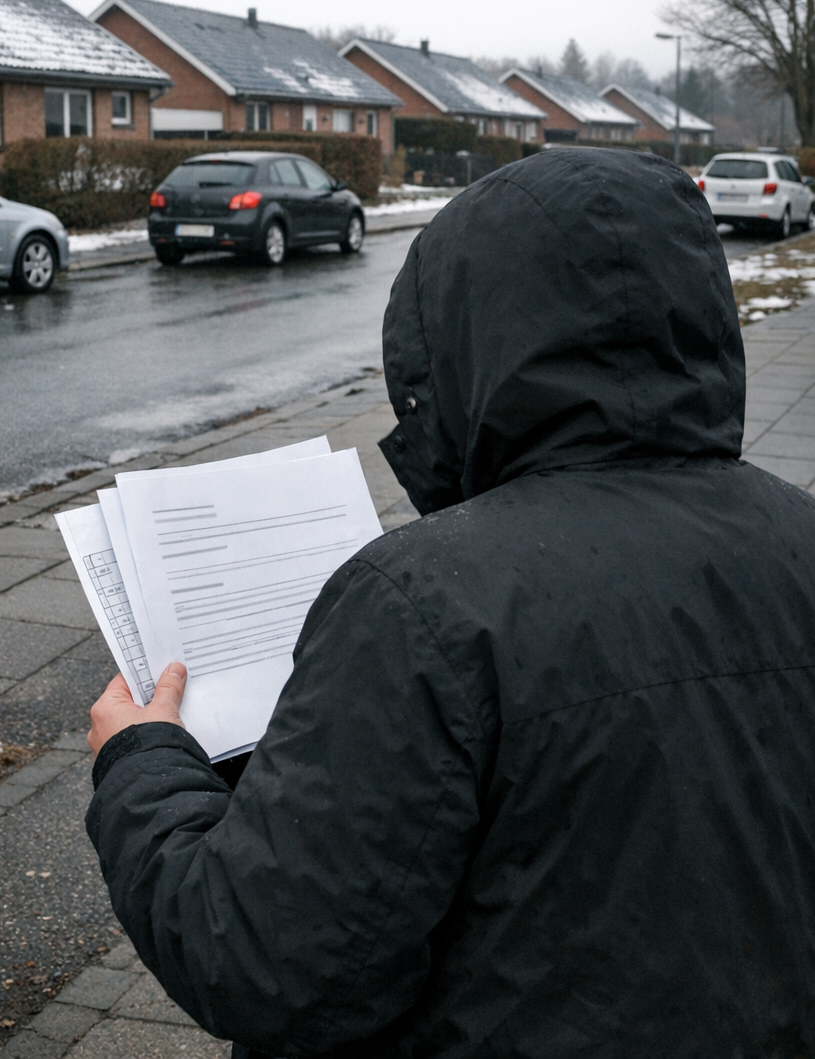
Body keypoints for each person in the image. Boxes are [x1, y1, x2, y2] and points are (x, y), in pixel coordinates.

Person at [85, 148, 815, 1058]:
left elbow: (264, 964)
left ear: (462, 336)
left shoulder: (423, 604)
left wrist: (141, 763)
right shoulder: (798, 534)